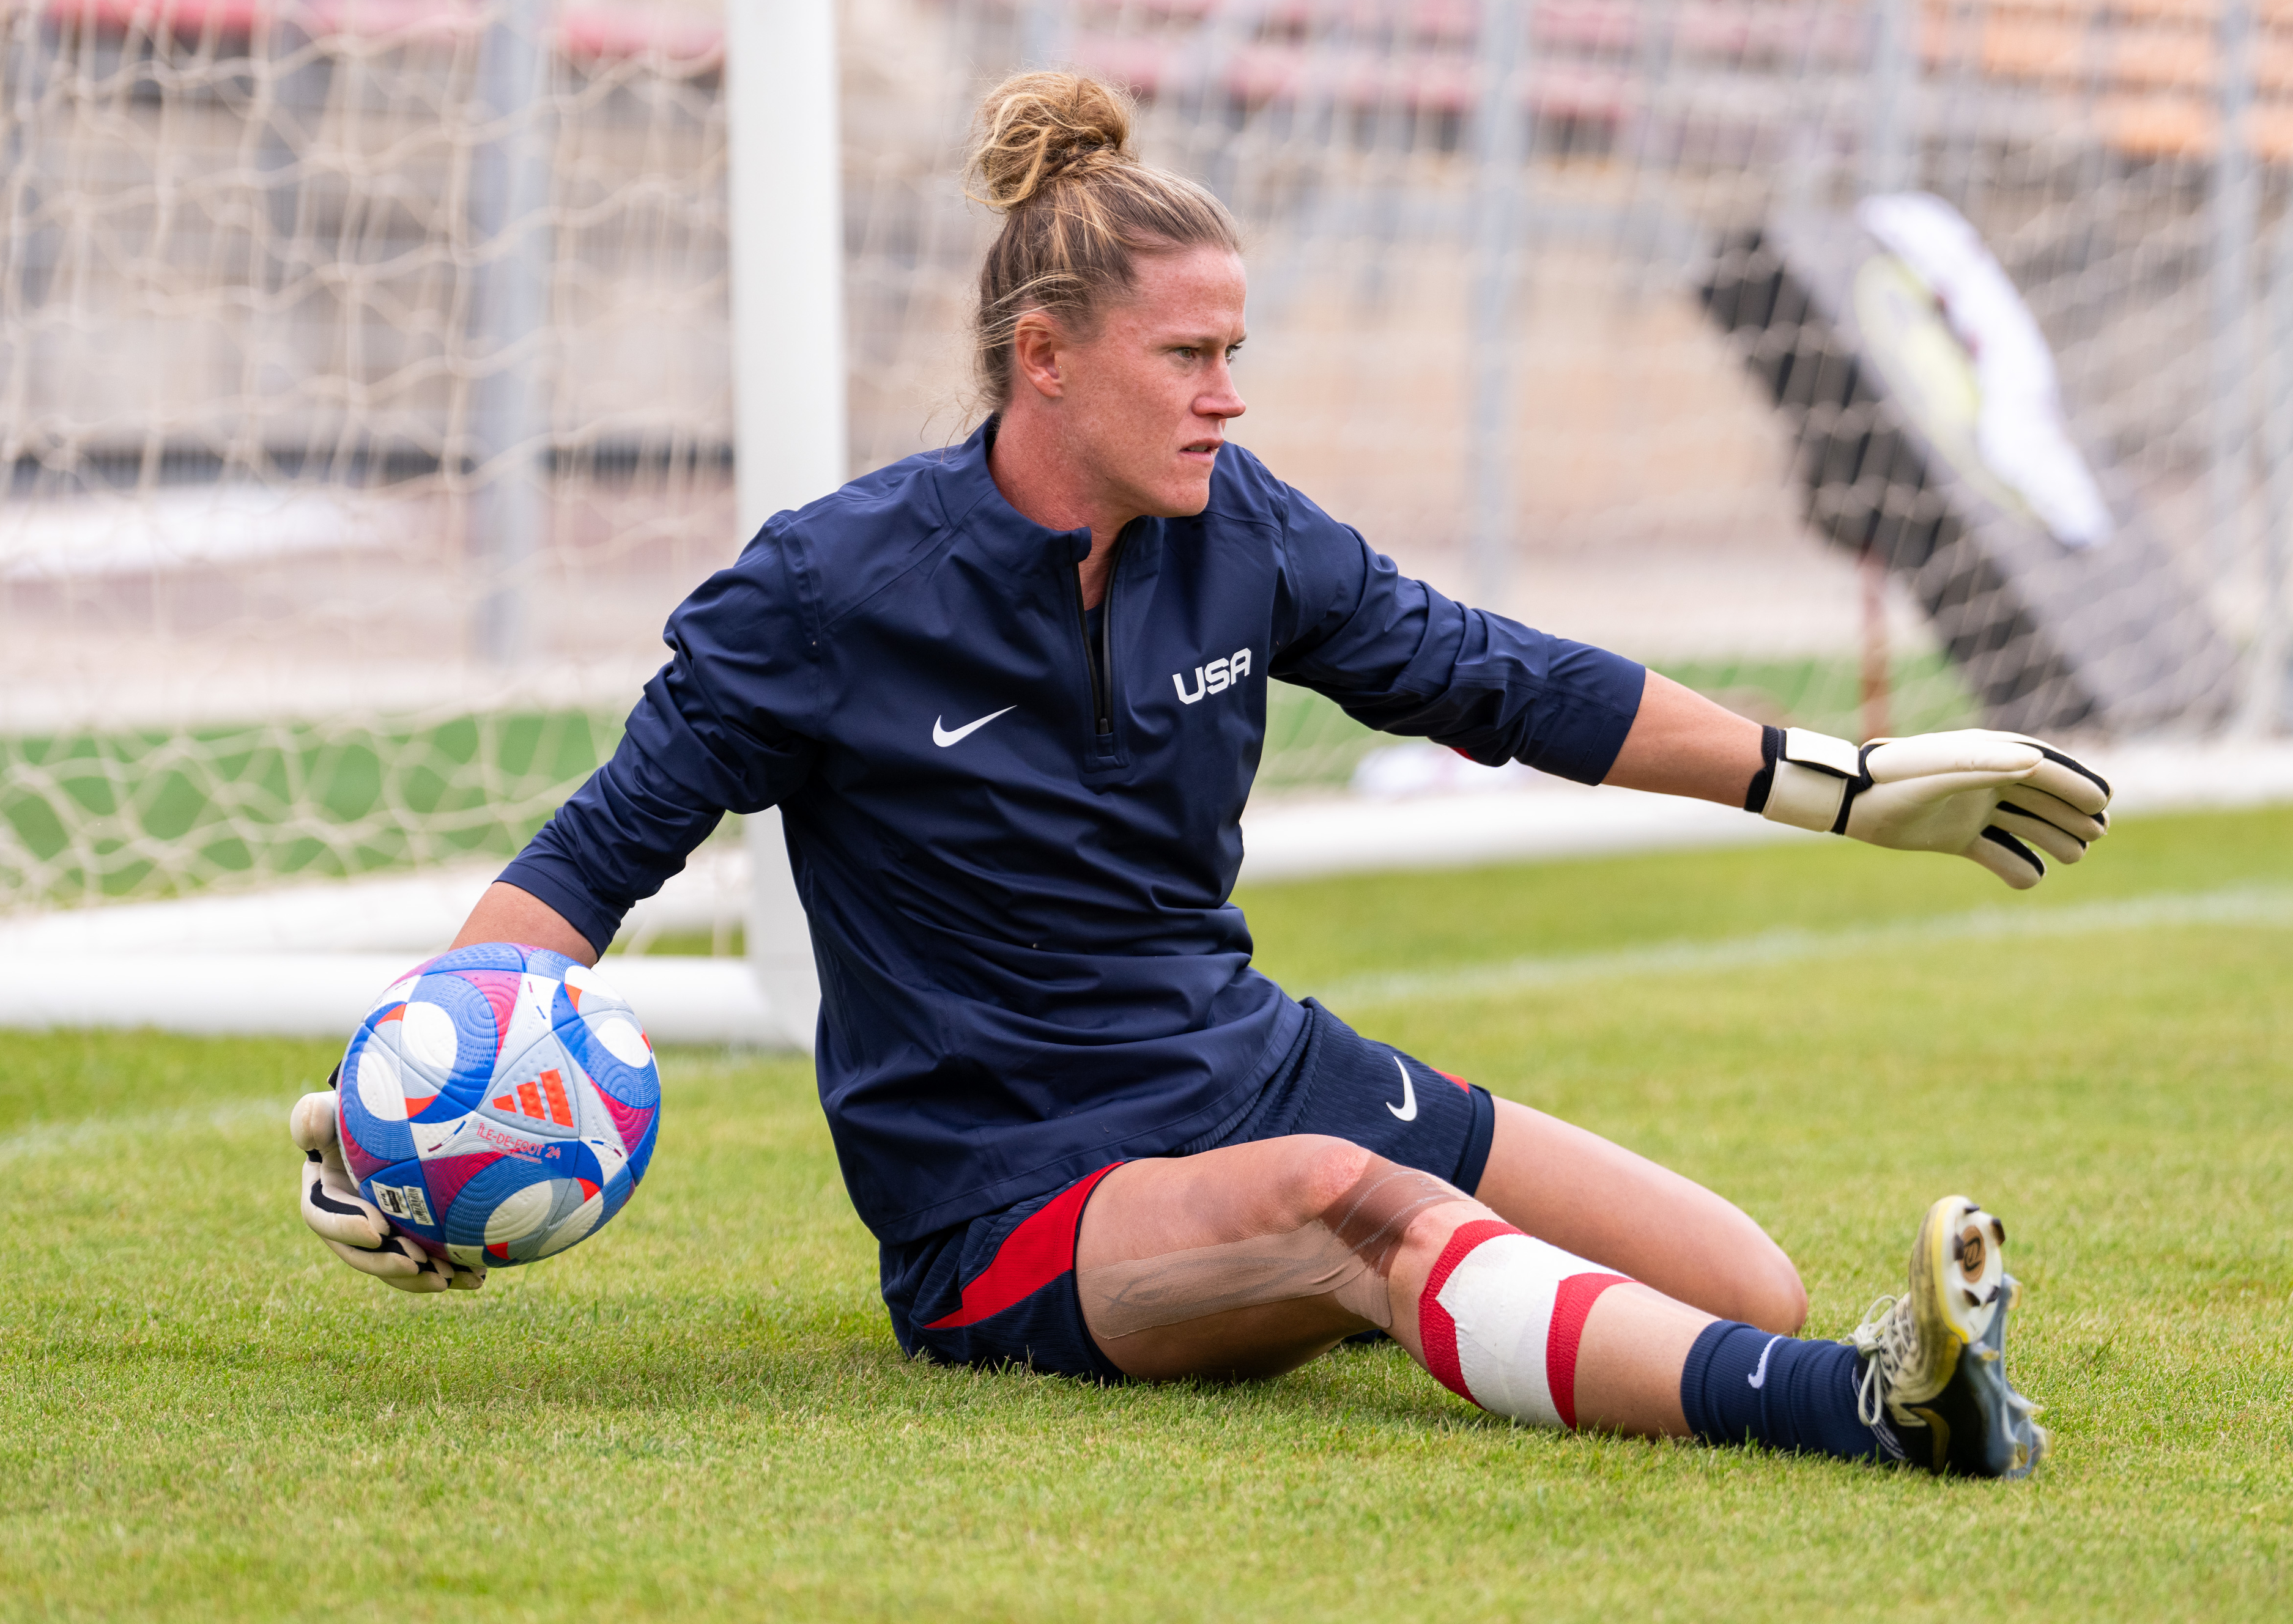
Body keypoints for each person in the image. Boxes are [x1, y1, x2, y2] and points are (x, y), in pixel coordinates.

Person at [291, 72, 2110, 1480]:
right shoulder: (830, 586)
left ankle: (1427, 1299)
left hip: (1247, 1062)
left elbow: (1498, 679)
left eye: (1237, 352)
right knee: (1355, 1207)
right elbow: (596, 852)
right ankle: (1871, 1410)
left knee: (1734, 1280)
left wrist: (1842, 784)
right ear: (1045, 358)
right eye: (1190, 353)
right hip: (1013, 1195)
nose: (1228, 395)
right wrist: (422, 1085)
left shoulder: (1242, 532)